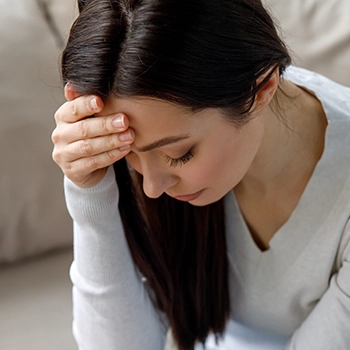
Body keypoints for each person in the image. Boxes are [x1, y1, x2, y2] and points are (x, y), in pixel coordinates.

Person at [51, 0, 350, 349]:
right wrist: (89, 188)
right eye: (129, 153)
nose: (151, 187)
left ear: (262, 89)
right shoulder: (149, 140)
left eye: (178, 154)